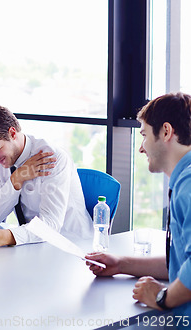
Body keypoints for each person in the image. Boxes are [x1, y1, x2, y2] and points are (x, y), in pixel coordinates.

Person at [86, 92, 191, 317]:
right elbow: (182, 262)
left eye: (144, 135)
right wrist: (122, 264)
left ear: (166, 131)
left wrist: (162, 297)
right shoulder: (184, 180)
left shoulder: (189, 186)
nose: (141, 148)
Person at [0, 104, 92, 249]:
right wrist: (15, 180)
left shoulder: (52, 157)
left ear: (12, 134)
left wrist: (4, 237)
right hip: (31, 245)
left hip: (70, 246)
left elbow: (51, 224)